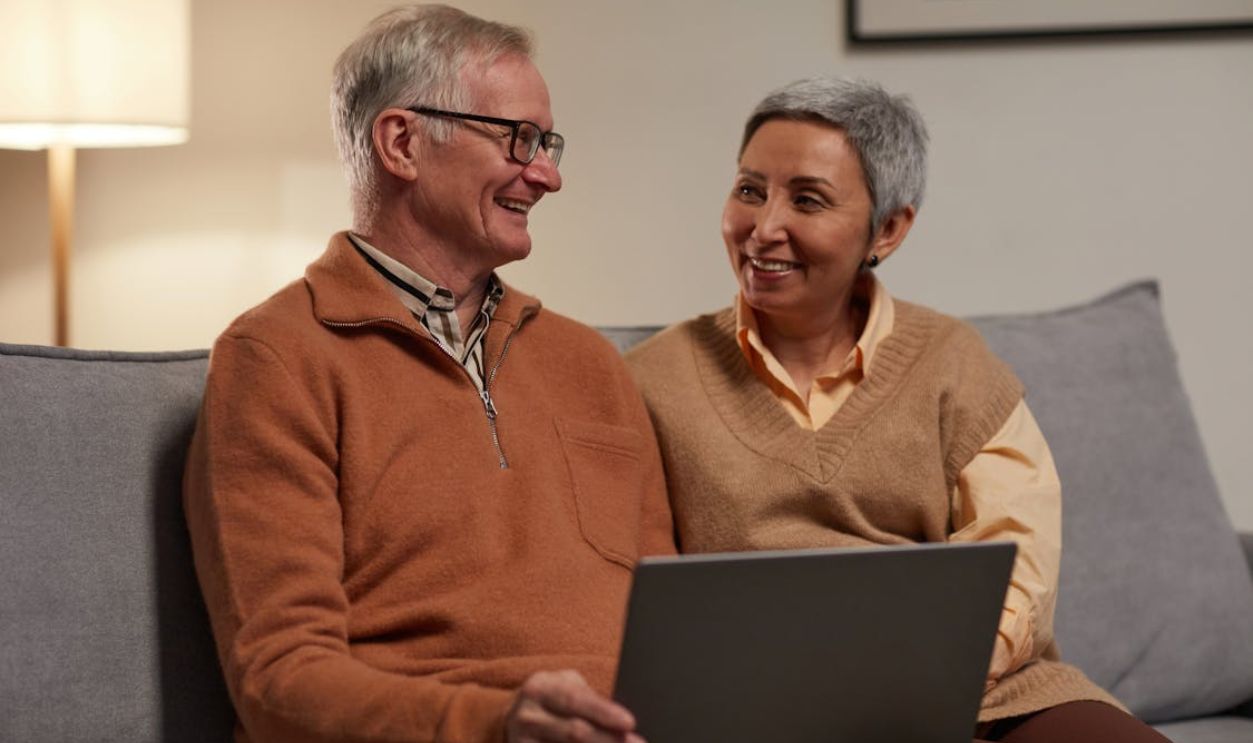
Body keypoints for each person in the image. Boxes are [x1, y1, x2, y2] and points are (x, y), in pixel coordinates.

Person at [625, 77, 1168, 742]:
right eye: (748, 190)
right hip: (763, 713)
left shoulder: (954, 361)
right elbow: (627, 592)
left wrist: (928, 677)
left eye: (807, 199)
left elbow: (1017, 566)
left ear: (887, 227)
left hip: (984, 695)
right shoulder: (648, 381)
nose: (763, 228)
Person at [182, 6, 673, 743]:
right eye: (520, 140)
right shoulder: (277, 358)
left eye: (547, 143)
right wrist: (494, 724)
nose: (547, 175)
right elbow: (279, 679)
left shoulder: (590, 364)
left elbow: (674, 630)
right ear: (402, 142)